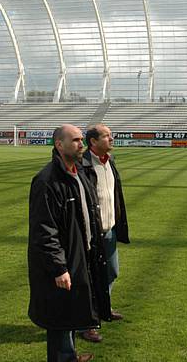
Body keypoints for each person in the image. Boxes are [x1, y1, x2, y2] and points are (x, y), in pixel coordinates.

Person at [28, 124, 112, 362]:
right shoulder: (46, 181)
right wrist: (58, 267)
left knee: (72, 308)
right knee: (59, 316)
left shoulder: (80, 173)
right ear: (59, 144)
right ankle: (63, 357)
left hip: (80, 254)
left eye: (80, 140)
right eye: (75, 140)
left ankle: (70, 355)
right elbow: (44, 230)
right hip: (63, 261)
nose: (81, 144)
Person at [79, 124, 130, 343]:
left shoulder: (110, 162)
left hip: (109, 231)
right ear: (93, 142)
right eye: (107, 136)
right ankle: (87, 323)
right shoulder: (83, 166)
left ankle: (103, 309)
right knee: (90, 280)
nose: (112, 139)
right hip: (91, 235)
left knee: (112, 272)